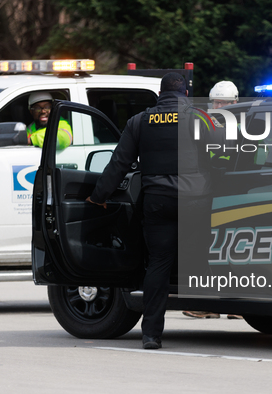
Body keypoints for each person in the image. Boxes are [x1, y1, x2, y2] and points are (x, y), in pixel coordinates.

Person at [86, 72, 222, 349]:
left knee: (158, 263)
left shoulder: (140, 121)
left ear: (160, 95)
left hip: (158, 201)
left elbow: (119, 163)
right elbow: (222, 154)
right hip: (196, 201)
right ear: (185, 94)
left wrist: (98, 196)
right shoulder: (200, 119)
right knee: (199, 254)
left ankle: (151, 335)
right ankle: (218, 306)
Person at [182, 80, 243, 320]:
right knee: (216, 248)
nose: (219, 105)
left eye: (224, 102)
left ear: (235, 103)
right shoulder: (206, 125)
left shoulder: (239, 128)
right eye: (216, 101)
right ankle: (225, 304)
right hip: (214, 194)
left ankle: (228, 304)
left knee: (224, 248)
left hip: (232, 194)